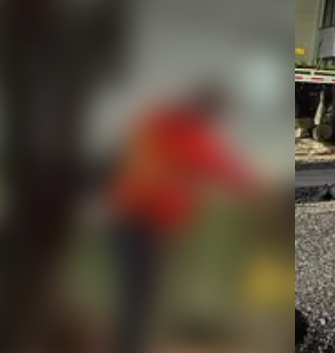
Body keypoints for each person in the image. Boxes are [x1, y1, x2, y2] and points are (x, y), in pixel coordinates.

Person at [105, 87, 258, 353]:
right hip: (144, 222)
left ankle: (132, 337)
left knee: (140, 288)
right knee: (141, 290)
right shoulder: (186, 136)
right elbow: (225, 168)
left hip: (129, 217)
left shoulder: (154, 125)